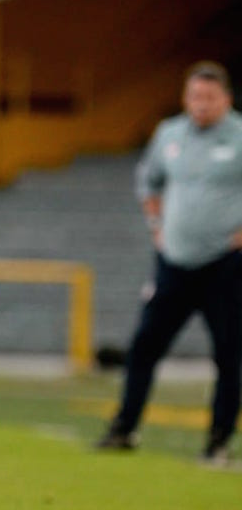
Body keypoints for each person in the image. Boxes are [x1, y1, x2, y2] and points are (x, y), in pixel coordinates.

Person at [97, 60, 242, 465]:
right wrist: (156, 225)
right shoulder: (170, 134)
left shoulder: (240, 136)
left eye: (210, 98)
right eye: (195, 96)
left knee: (229, 355)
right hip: (174, 263)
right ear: (185, 97)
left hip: (224, 265)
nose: (201, 104)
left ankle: (218, 442)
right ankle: (125, 428)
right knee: (144, 346)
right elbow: (149, 180)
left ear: (225, 99)